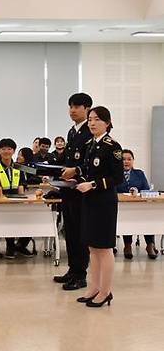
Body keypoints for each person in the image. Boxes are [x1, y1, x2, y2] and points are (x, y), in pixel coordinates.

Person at [74, 106, 123, 308]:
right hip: (90, 201)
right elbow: (88, 170)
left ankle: (106, 291)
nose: (92, 123)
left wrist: (93, 184)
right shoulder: (90, 144)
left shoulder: (113, 147)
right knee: (92, 248)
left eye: (96, 119)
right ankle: (94, 288)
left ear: (107, 122)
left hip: (104, 202)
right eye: (90, 119)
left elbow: (117, 177)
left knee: (104, 248)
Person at [57, 93, 94, 291]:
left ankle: (81, 274)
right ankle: (73, 269)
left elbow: (89, 163)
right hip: (68, 190)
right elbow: (70, 161)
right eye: (70, 106)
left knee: (80, 233)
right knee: (69, 231)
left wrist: (76, 172)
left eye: (77, 106)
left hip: (82, 191)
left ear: (87, 109)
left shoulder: (90, 132)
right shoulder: (72, 132)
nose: (72, 110)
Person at [0, 139, 33, 259]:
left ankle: (21, 245)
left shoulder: (19, 167)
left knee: (32, 218)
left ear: (14, 151)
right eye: (3, 149)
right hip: (2, 202)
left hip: (17, 199)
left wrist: (22, 201)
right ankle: (10, 246)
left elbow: (22, 185)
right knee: (8, 221)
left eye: (9, 149)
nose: (6, 151)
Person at [118, 149, 156, 259]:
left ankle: (150, 245)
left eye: (129, 159)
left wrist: (137, 192)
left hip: (140, 206)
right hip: (122, 207)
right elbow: (113, 190)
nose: (126, 162)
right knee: (127, 218)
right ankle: (127, 245)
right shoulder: (115, 175)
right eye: (123, 159)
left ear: (133, 161)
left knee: (147, 217)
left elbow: (147, 189)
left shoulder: (139, 173)